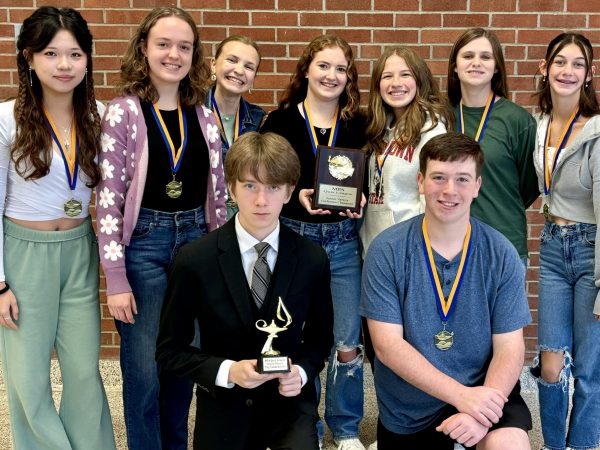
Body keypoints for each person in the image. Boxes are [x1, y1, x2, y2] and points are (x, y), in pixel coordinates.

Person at [96, 7, 226, 450]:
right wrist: (115, 279)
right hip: (145, 247)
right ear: (144, 49)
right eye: (164, 44)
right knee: (144, 368)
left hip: (196, 242)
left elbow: (219, 194)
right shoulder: (124, 113)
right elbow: (108, 200)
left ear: (195, 55)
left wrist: (219, 262)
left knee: (182, 362)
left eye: (184, 46)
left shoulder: (206, 118)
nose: (174, 54)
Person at [156, 131, 333, 450]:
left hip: (288, 407)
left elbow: (320, 340)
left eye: (273, 187)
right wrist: (228, 371)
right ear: (232, 189)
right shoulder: (196, 259)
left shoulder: (312, 259)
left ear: (290, 191)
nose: (262, 200)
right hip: (225, 406)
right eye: (250, 185)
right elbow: (170, 350)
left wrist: (303, 374)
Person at [361, 132, 532, 450]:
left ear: (477, 186)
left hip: (483, 389)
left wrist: (480, 413)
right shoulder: (386, 250)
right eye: (439, 177)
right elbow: (386, 346)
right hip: (410, 404)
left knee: (509, 443)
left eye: (462, 179)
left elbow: (510, 348)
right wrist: (462, 397)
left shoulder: (501, 252)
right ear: (421, 181)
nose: (450, 190)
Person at [0, 7, 115, 449]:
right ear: (29, 58)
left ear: (87, 60)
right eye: (51, 53)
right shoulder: (7, 119)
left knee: (84, 369)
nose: (64, 65)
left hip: (78, 250)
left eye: (74, 54)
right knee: (27, 374)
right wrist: (0, 284)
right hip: (24, 254)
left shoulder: (101, 117)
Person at [261, 34, 368, 450]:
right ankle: (305, 426)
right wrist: (297, 196)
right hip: (296, 241)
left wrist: (362, 196)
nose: (331, 75)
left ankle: (344, 428)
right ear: (306, 69)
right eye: (323, 66)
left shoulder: (358, 123)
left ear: (349, 77)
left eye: (341, 69)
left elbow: (371, 176)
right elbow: (269, 182)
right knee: (298, 339)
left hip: (343, 243)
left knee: (346, 341)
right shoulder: (282, 121)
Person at [530, 32, 600, 450]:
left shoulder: (596, 130)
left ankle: (584, 445)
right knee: (551, 364)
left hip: (593, 249)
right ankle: (555, 445)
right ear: (545, 69)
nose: (567, 71)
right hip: (554, 246)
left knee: (590, 369)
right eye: (560, 62)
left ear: (589, 75)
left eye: (578, 64)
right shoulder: (539, 125)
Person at [447, 28, 538, 264]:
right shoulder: (441, 118)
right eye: (468, 56)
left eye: (485, 57)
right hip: (450, 245)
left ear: (496, 67)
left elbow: (528, 187)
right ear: (455, 66)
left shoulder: (518, 121)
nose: (476, 63)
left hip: (504, 244)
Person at [360, 46, 449, 257]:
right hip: (374, 247)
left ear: (419, 80)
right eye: (387, 76)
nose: (395, 83)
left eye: (405, 74)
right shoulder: (380, 128)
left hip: (410, 249)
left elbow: (436, 193)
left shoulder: (432, 128)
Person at [207, 35, 266, 219]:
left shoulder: (260, 120)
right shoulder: (190, 112)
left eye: (249, 67)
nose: (239, 70)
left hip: (244, 220)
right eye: (232, 60)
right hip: (200, 220)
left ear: (254, 78)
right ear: (213, 64)